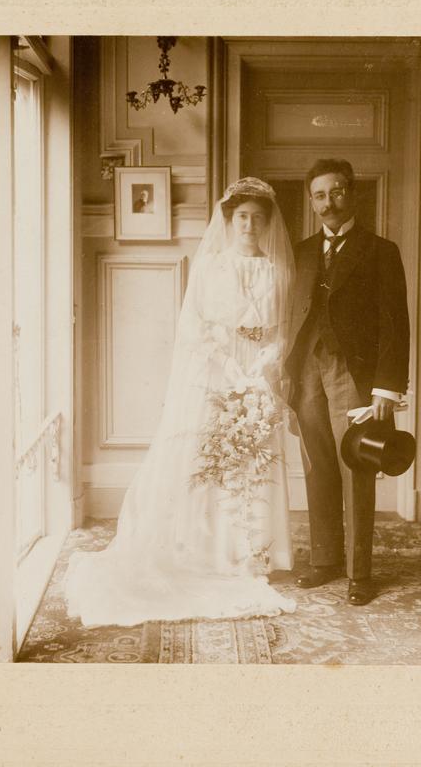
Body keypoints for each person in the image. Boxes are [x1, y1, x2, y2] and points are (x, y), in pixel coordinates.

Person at [64, 177, 297, 627]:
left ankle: (249, 553)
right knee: (210, 459)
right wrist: (228, 367)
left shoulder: (277, 270)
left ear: (268, 223)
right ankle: (206, 552)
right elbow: (196, 325)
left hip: (258, 372)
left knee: (253, 460)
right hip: (216, 371)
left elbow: (283, 327)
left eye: (257, 218)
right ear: (229, 221)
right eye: (242, 217)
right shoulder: (212, 267)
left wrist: (266, 360)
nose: (249, 225)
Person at [285, 158, 410, 606]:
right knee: (317, 465)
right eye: (319, 195)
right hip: (306, 372)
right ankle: (325, 560)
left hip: (351, 375)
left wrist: (385, 389)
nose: (328, 203)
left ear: (351, 194)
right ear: (311, 202)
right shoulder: (300, 252)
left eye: (336, 192)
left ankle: (360, 572)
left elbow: (395, 325)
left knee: (356, 465)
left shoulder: (381, 251)